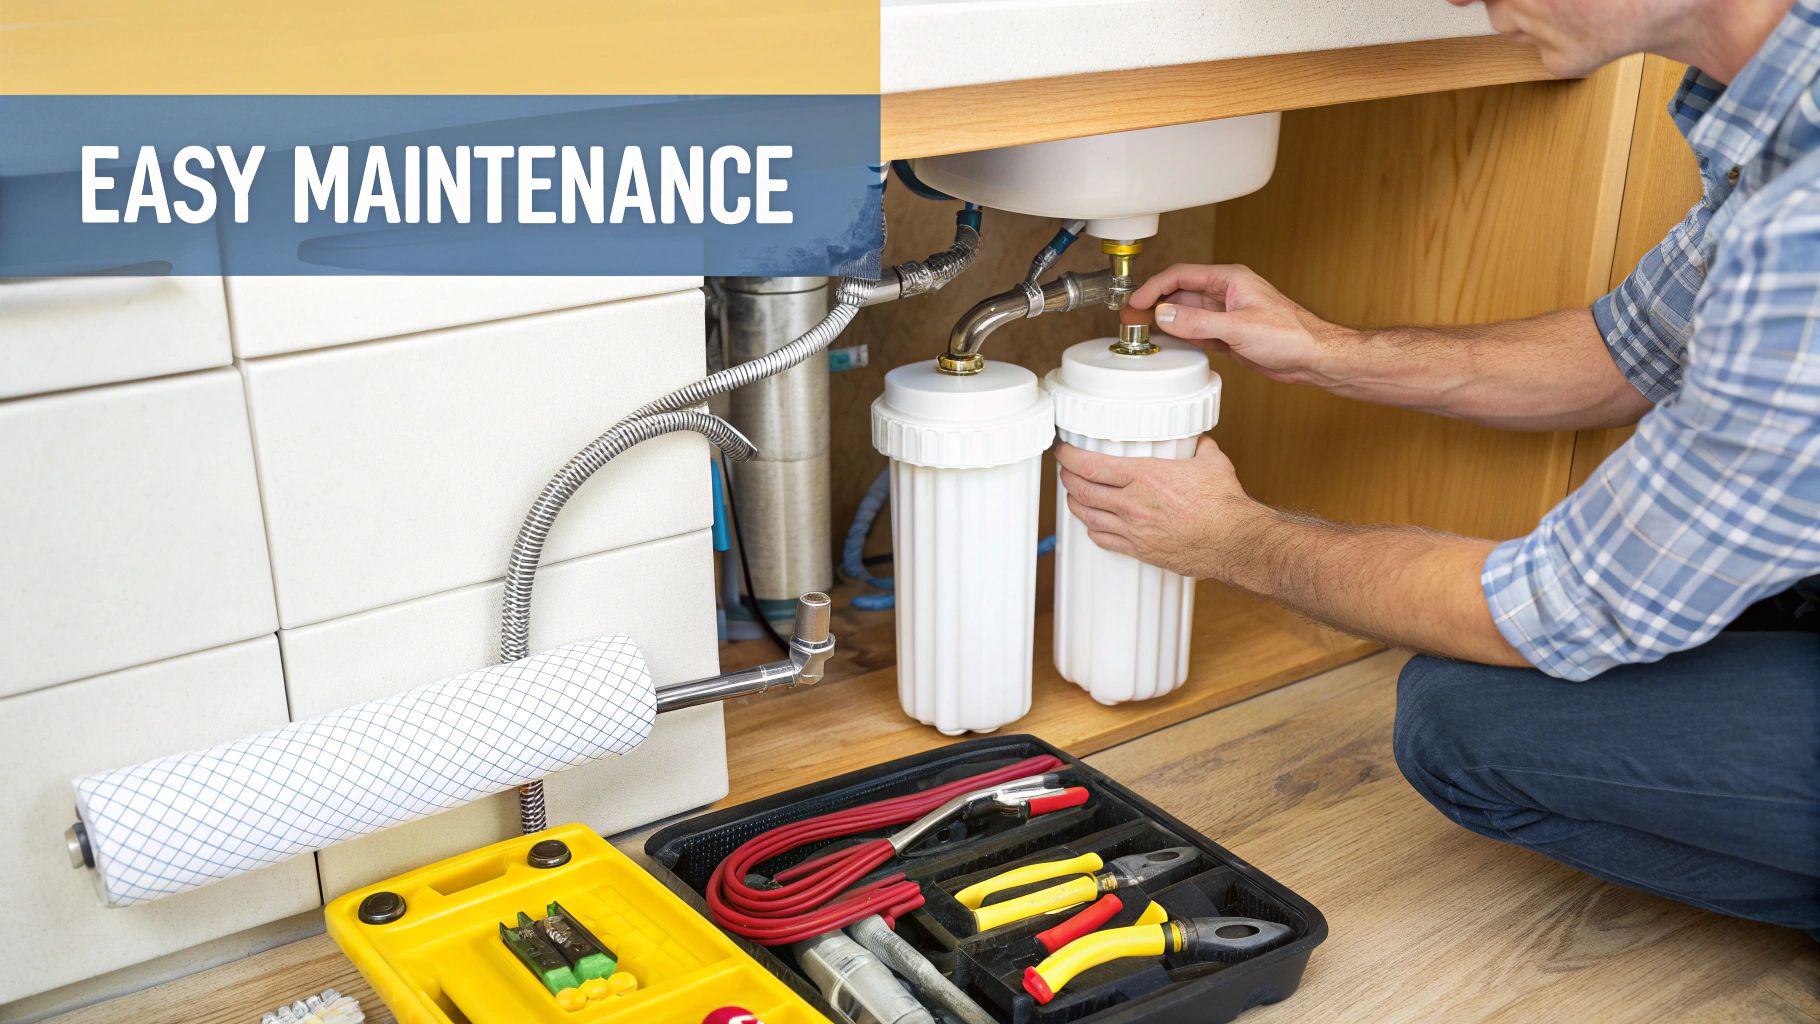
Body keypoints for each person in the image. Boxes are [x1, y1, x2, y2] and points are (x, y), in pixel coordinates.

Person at [1056, 0, 1820, 935]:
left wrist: (1234, 540)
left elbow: (1567, 608)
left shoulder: (1807, 232)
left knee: (1460, 721)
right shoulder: (1787, 108)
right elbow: (1626, 347)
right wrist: (1325, 348)